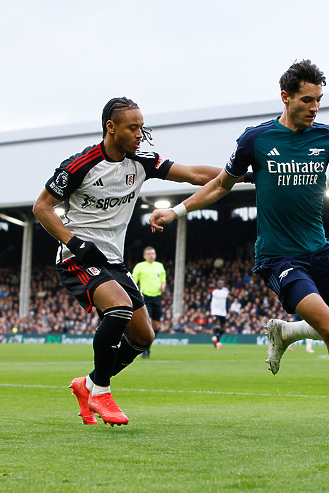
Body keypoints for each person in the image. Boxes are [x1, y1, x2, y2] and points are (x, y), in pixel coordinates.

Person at [151, 60, 329, 435]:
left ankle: (287, 332)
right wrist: (178, 210)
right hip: (279, 257)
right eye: (306, 99)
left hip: (320, 251)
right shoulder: (256, 140)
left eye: (319, 100)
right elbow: (220, 185)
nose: (314, 107)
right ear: (285, 97)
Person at [33, 97, 229, 426]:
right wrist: (73, 242)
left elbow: (195, 174)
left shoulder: (143, 160)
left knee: (143, 337)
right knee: (120, 309)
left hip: (113, 260)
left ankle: (88, 384)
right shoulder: (80, 165)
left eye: (142, 126)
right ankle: (102, 392)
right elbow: (42, 207)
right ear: (111, 128)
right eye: (133, 127)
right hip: (77, 256)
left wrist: (243, 174)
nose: (140, 133)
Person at [131, 246, 167, 358]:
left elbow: (163, 279)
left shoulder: (159, 266)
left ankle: (147, 347)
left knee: (156, 326)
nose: (152, 255)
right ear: (144, 256)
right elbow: (132, 281)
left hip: (157, 298)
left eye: (153, 253)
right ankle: (144, 349)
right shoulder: (140, 266)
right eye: (149, 253)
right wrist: (137, 293)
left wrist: (163, 285)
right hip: (145, 297)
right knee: (148, 323)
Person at [209, 279, 230, 348]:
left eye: (222, 283)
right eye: (219, 283)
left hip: (223, 312)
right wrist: (207, 309)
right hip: (215, 311)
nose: (221, 284)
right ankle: (217, 341)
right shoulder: (213, 291)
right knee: (216, 325)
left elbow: (228, 301)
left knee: (223, 328)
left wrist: (228, 310)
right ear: (217, 284)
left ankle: (216, 338)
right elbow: (209, 301)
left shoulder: (226, 291)